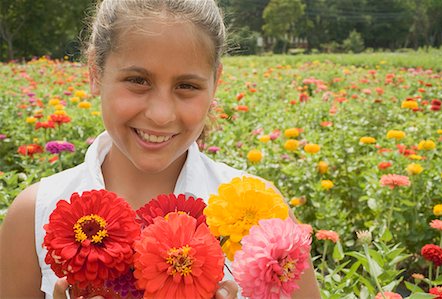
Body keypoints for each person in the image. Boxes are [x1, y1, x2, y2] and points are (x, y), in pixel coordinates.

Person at [0, 0, 321, 298]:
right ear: (95, 72)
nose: (161, 113)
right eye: (138, 80)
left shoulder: (266, 216)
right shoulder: (35, 214)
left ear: (216, 82)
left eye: (187, 86)